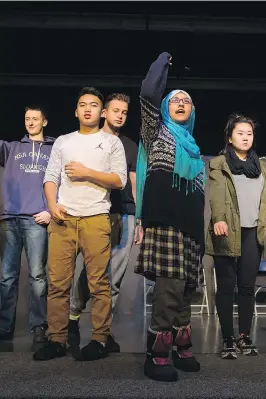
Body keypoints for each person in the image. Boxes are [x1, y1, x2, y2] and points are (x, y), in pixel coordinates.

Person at [33, 87, 127, 361]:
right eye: (83, 105)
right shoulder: (63, 141)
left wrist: (87, 172)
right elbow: (50, 177)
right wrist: (52, 205)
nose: (88, 109)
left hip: (96, 218)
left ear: (102, 112)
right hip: (63, 219)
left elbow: (119, 180)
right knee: (58, 283)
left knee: (99, 283)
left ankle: (99, 339)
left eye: (94, 105)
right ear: (76, 111)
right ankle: (57, 339)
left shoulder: (111, 143)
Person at [135, 52, 205, 382]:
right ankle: (157, 353)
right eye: (174, 100)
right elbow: (148, 93)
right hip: (165, 224)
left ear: (192, 111)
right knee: (169, 289)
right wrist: (163, 63)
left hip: (191, 229)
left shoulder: (193, 147)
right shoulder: (157, 133)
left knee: (188, 290)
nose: (179, 104)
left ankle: (181, 346)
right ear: (166, 108)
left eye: (185, 102)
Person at [206, 113, 266, 359]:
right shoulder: (220, 163)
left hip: (253, 233)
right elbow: (217, 193)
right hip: (226, 231)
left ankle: (244, 336)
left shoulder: (263, 168)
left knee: (247, 288)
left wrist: (265, 215)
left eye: (249, 133)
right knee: (226, 287)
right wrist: (219, 218)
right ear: (230, 137)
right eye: (240, 133)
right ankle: (228, 339)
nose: (245, 137)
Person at [68, 93, 138, 353]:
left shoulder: (130, 145)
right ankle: (73, 318)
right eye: (115, 110)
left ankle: (103, 332)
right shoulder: (89, 141)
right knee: (90, 274)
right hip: (95, 213)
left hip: (125, 214)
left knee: (114, 278)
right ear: (104, 113)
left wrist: (138, 217)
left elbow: (133, 181)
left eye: (124, 112)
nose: (120, 115)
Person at [0, 106, 54, 344]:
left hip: (36, 219)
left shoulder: (54, 150)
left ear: (44, 121)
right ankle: (4, 327)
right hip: (10, 218)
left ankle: (39, 327)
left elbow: (60, 181)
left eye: (35, 119)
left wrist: (51, 211)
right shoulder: (12, 147)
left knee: (38, 276)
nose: (30, 122)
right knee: (6, 277)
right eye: (27, 119)